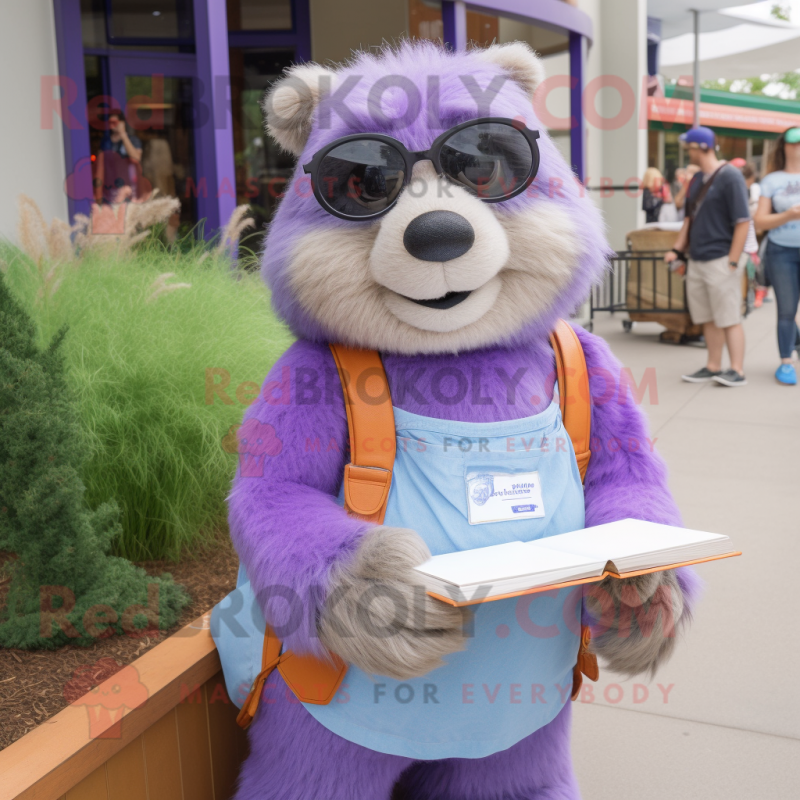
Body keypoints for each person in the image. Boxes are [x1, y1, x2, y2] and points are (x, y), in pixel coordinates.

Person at [665, 127, 751, 387]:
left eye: (689, 147)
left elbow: (743, 221)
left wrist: (733, 261)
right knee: (708, 318)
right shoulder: (697, 179)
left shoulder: (730, 177)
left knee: (729, 317)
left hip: (721, 258)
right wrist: (677, 250)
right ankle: (713, 365)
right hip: (698, 259)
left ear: (702, 147)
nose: (686, 151)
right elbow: (689, 220)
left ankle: (737, 370)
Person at [754, 126, 800, 385]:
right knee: (786, 309)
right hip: (781, 251)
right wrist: (789, 215)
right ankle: (786, 362)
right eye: (794, 141)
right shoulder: (772, 180)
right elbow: (759, 221)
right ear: (784, 145)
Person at [93, 109, 144, 204]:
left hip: (129, 187)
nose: (112, 125)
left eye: (115, 122)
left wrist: (123, 135)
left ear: (122, 122)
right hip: (109, 187)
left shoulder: (133, 140)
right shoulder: (105, 142)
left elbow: (136, 158)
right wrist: (98, 193)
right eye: (110, 122)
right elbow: (100, 168)